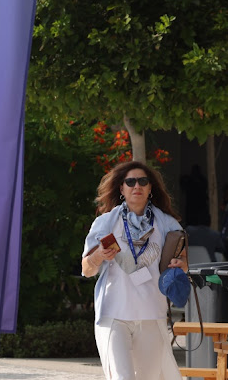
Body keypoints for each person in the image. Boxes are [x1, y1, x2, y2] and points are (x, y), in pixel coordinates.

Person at [81, 160, 187, 380]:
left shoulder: (167, 224)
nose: (136, 186)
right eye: (130, 182)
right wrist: (99, 255)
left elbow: (183, 263)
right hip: (114, 314)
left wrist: (180, 266)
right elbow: (87, 269)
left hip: (151, 314)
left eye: (142, 181)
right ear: (122, 188)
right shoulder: (106, 223)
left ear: (150, 188)